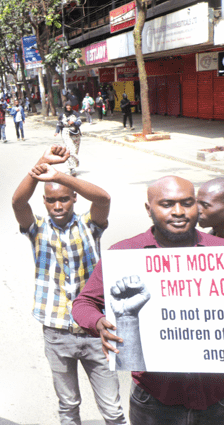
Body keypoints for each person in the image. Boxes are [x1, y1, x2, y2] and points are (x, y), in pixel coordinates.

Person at [73, 176, 224, 425]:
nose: (179, 212)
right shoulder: (125, 254)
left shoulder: (219, 251)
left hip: (216, 399)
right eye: (167, 204)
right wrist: (99, 323)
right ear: (149, 209)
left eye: (187, 203)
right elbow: (83, 303)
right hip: (154, 401)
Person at [11, 145, 126, 425]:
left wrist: (61, 176)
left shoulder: (90, 225)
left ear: (74, 198)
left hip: (95, 329)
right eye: (51, 201)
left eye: (64, 199)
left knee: (112, 409)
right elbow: (17, 202)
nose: (58, 205)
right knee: (68, 405)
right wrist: (41, 165)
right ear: (44, 202)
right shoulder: (37, 229)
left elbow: (103, 198)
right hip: (56, 330)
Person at [55, 103, 81, 176]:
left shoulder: (75, 114)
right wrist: (57, 131)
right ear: (65, 107)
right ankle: (72, 168)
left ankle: (73, 166)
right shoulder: (62, 115)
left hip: (75, 133)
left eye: (70, 107)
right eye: (67, 107)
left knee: (75, 150)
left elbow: (79, 122)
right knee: (70, 149)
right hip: (66, 133)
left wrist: (74, 122)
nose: (68, 108)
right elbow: (59, 124)